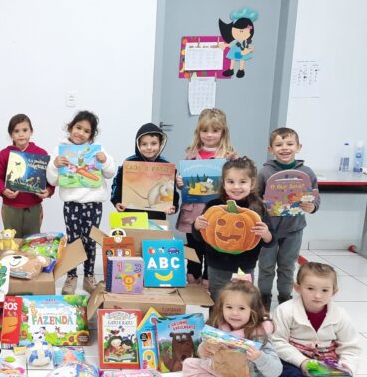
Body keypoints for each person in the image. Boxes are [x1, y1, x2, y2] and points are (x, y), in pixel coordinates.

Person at [183, 278, 282, 377]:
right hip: (223, 376)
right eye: (229, 307)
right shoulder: (219, 327)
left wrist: (260, 357)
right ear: (221, 308)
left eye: (241, 308)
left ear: (253, 311)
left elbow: (276, 370)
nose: (234, 313)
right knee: (189, 365)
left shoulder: (260, 335)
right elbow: (204, 355)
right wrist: (204, 349)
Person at [46, 111, 115, 295]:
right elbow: (52, 180)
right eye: (78, 127)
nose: (80, 133)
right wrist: (54, 165)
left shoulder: (97, 149)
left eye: (86, 131)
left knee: (90, 241)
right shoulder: (60, 149)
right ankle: (71, 276)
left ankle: (89, 276)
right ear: (70, 127)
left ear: (91, 135)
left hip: (94, 204)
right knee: (74, 241)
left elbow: (110, 172)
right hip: (72, 205)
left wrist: (105, 160)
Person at [192, 157, 274, 302]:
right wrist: (196, 226)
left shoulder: (258, 208)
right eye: (231, 182)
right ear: (223, 183)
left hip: (244, 266)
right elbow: (200, 237)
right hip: (216, 265)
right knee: (217, 301)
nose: (236, 187)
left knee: (242, 300)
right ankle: (215, 325)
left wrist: (266, 234)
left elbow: (271, 240)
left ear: (252, 183)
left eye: (242, 182)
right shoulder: (213, 206)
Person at [257, 128, 320, 310]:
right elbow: (255, 197)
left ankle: (285, 297)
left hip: (294, 229)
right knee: (266, 266)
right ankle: (264, 296)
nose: (284, 148)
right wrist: (263, 204)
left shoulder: (307, 172)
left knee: (287, 266)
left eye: (289, 144)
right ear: (271, 149)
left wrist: (312, 206)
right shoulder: (264, 172)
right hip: (268, 230)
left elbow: (315, 196)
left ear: (298, 147)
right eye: (279, 144)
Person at [176, 109, 237, 286]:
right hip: (193, 211)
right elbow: (185, 183)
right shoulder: (191, 154)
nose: (209, 135)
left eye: (215, 131)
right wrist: (180, 182)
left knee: (213, 246)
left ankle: (209, 278)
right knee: (194, 246)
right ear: (198, 132)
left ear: (223, 132)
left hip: (217, 213)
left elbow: (237, 182)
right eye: (205, 131)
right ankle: (192, 275)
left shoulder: (229, 157)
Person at [0, 114, 54, 237]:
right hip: (11, 207)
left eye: (25, 130)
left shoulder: (41, 153)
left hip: (33, 206)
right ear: (11, 135)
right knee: (11, 241)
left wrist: (48, 191)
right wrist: (3, 190)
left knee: (32, 241)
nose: (21, 134)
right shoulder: (4, 154)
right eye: (16, 131)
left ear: (31, 132)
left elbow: (50, 178)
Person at [111, 122, 180, 221]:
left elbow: (171, 190)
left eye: (153, 143)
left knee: (154, 236)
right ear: (138, 144)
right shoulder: (130, 163)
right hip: (131, 215)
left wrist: (173, 206)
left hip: (156, 216)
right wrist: (116, 201)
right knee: (132, 236)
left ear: (160, 144)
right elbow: (118, 184)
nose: (149, 148)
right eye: (144, 144)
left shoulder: (165, 166)